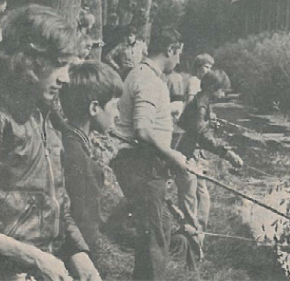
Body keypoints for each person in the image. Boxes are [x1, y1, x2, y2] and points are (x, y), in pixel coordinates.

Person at [0, 5, 101, 281]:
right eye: (59, 64)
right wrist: (30, 256)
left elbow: (55, 203)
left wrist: (78, 253)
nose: (65, 78)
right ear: (30, 62)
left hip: (45, 270)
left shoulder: (43, 117)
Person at [110, 27, 187, 280]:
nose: (178, 61)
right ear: (171, 49)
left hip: (143, 164)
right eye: (179, 54)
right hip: (141, 165)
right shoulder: (148, 80)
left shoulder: (142, 74)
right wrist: (173, 156)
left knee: (156, 230)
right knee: (154, 236)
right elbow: (142, 131)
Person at [59, 62, 122, 262]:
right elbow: (86, 230)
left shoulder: (65, 140)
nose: (117, 113)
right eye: (114, 105)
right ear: (94, 108)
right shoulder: (79, 159)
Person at [175, 70, 243, 246]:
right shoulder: (200, 106)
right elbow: (202, 137)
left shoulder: (203, 103)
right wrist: (228, 154)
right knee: (190, 200)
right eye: (222, 91)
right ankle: (191, 241)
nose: (223, 95)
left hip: (193, 155)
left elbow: (201, 130)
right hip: (185, 156)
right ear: (213, 88)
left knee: (203, 197)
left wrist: (210, 123)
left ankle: (199, 235)